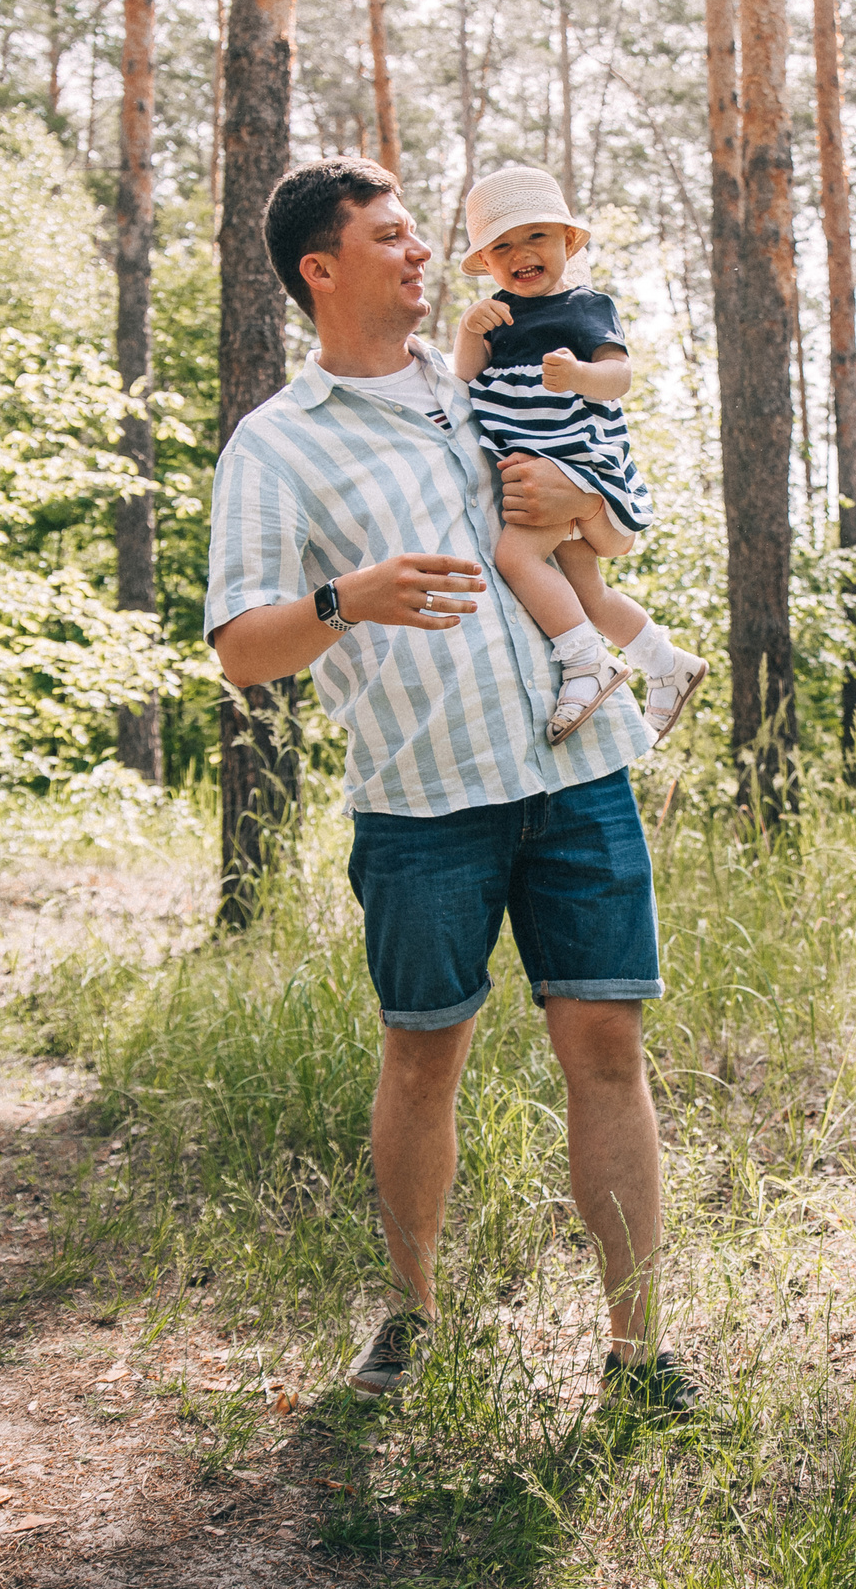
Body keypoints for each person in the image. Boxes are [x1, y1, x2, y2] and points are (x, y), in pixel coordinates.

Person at [202, 155, 697, 1415]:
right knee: (424, 1055)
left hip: (577, 769)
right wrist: (344, 599)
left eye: (424, 235)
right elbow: (238, 653)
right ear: (323, 268)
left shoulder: (484, 377)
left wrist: (586, 498)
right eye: (392, 237)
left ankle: (639, 1351)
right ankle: (413, 1315)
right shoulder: (274, 446)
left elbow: (609, 532)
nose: (421, 254)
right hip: (421, 801)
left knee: (608, 1047)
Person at [450, 165, 707, 746]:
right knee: (586, 593)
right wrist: (469, 332)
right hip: (536, 467)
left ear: (567, 241)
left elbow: (620, 377)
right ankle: (666, 664)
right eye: (501, 246)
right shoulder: (497, 314)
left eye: (535, 236)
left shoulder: (586, 306)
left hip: (578, 457)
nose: (520, 253)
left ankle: (586, 662)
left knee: (516, 557)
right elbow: (461, 384)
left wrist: (579, 375)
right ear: (486, 263)